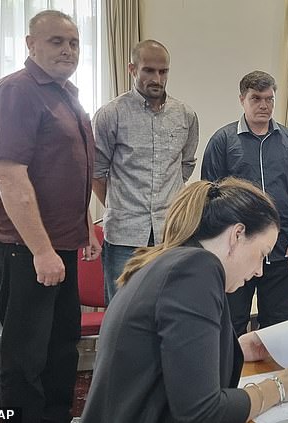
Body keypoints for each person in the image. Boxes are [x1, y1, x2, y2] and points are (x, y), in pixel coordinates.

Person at [81, 177, 288, 423]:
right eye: (262, 254)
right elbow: (202, 413)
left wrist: (237, 349)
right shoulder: (197, 269)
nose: (259, 271)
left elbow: (169, 356)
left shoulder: (174, 262)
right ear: (238, 234)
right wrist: (278, 388)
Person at [0, 10, 101, 423]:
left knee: (61, 347)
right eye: (56, 41)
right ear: (30, 45)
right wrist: (41, 250)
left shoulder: (66, 93)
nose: (67, 50)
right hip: (26, 249)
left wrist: (86, 226)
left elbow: (67, 169)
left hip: (61, 245)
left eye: (73, 43)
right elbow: (11, 177)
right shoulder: (16, 92)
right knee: (24, 357)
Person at [201, 71, 288, 336]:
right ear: (242, 99)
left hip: (282, 246)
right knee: (233, 321)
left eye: (269, 99)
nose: (264, 105)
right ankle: (232, 376)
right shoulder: (223, 141)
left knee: (278, 322)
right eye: (256, 98)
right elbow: (210, 198)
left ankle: (275, 377)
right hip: (237, 250)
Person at [92, 39, 199, 304]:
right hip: (124, 234)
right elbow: (96, 172)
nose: (157, 78)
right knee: (122, 309)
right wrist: (120, 205)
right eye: (149, 70)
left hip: (170, 234)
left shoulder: (185, 115)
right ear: (132, 69)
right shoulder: (110, 115)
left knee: (169, 308)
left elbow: (185, 165)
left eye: (163, 71)